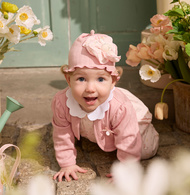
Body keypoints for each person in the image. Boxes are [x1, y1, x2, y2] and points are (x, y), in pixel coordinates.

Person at [52, 30, 159, 182]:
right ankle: (93, 132)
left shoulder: (120, 107)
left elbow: (128, 139)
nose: (90, 88)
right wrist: (67, 163)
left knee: (145, 150)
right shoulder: (61, 102)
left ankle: (148, 134)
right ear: (68, 80)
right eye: (81, 79)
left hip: (132, 123)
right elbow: (61, 133)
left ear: (113, 81)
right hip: (103, 126)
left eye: (101, 79)